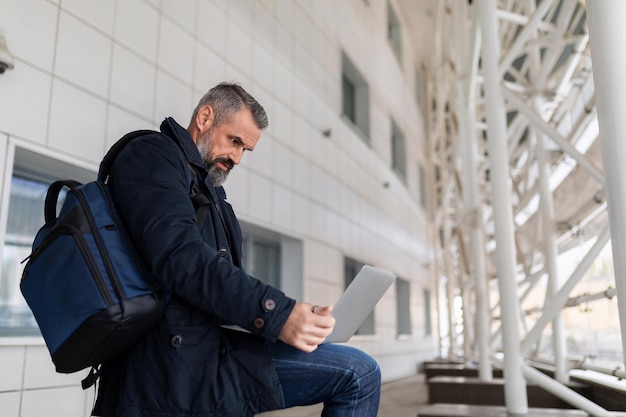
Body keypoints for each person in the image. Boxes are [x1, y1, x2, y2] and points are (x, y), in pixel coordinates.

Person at [92, 82, 381, 417]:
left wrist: (293, 319)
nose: (238, 158)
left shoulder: (212, 193)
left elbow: (221, 281)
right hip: (168, 368)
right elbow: (180, 258)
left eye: (247, 150)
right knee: (357, 374)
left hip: (211, 352)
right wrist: (278, 314)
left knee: (359, 373)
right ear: (204, 118)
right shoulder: (152, 156)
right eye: (235, 141)